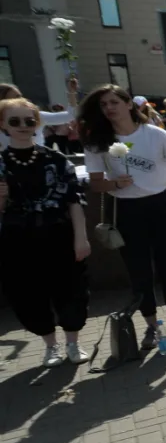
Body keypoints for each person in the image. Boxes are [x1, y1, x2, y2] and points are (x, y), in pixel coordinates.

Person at [80, 84, 166, 348]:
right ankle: (152, 327)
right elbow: (95, 183)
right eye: (103, 105)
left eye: (113, 102)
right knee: (139, 269)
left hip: (162, 205)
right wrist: (114, 184)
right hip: (126, 209)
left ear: (129, 104)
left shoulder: (155, 134)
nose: (108, 108)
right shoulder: (98, 141)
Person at [0, 97, 91, 366]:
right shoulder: (1, 164)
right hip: (18, 238)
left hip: (58, 233)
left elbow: (74, 201)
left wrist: (81, 238)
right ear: (3, 125)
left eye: (29, 121)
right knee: (27, 293)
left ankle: (73, 343)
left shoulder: (56, 159)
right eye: (14, 121)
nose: (23, 126)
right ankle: (50, 346)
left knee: (71, 288)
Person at [0, 78, 79, 150]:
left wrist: (71, 93)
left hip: (39, 161)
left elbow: (70, 115)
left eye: (30, 122)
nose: (22, 100)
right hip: (8, 163)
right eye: (14, 122)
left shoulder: (37, 115)